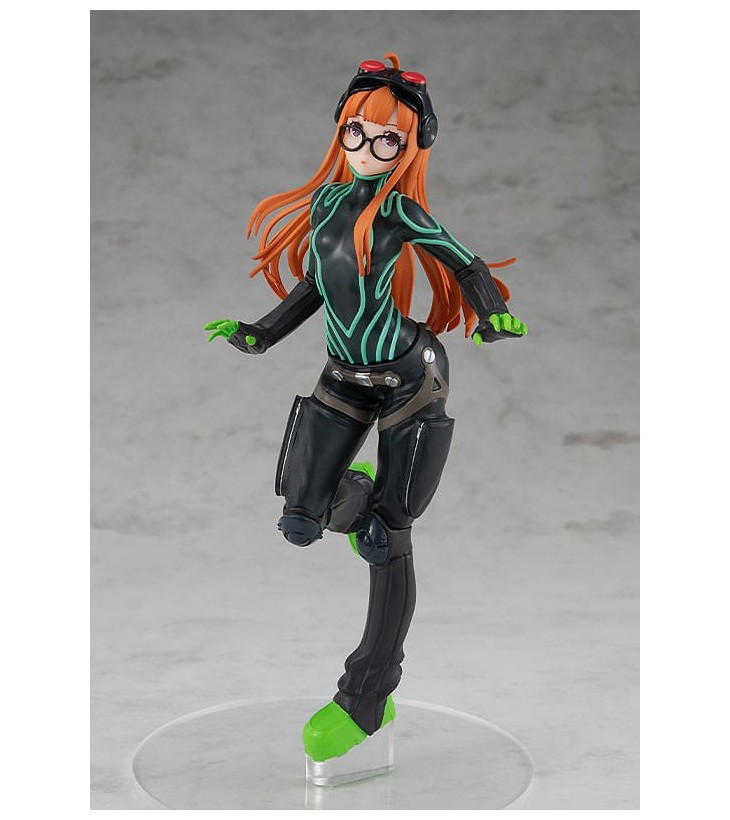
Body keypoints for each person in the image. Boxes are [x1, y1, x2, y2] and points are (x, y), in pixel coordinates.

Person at [205, 53, 527, 766]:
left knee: (387, 536)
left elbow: (466, 263)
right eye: (356, 130)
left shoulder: (402, 212)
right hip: (342, 375)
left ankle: (369, 694)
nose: (368, 147)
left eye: (388, 138)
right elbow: (315, 287)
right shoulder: (326, 204)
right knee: (299, 520)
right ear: (340, 129)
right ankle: (363, 499)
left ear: (411, 146)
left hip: (412, 376)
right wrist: (260, 333)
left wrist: (492, 313)